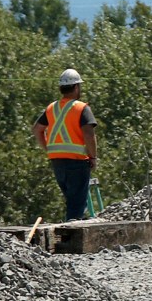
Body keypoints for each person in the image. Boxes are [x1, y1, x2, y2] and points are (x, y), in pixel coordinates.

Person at [32, 68, 98, 221]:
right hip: (77, 162)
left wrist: (48, 149)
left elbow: (37, 130)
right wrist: (93, 157)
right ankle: (73, 239)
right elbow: (89, 134)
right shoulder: (82, 108)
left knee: (71, 201)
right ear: (76, 87)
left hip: (57, 162)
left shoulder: (51, 108)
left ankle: (70, 231)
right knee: (77, 205)